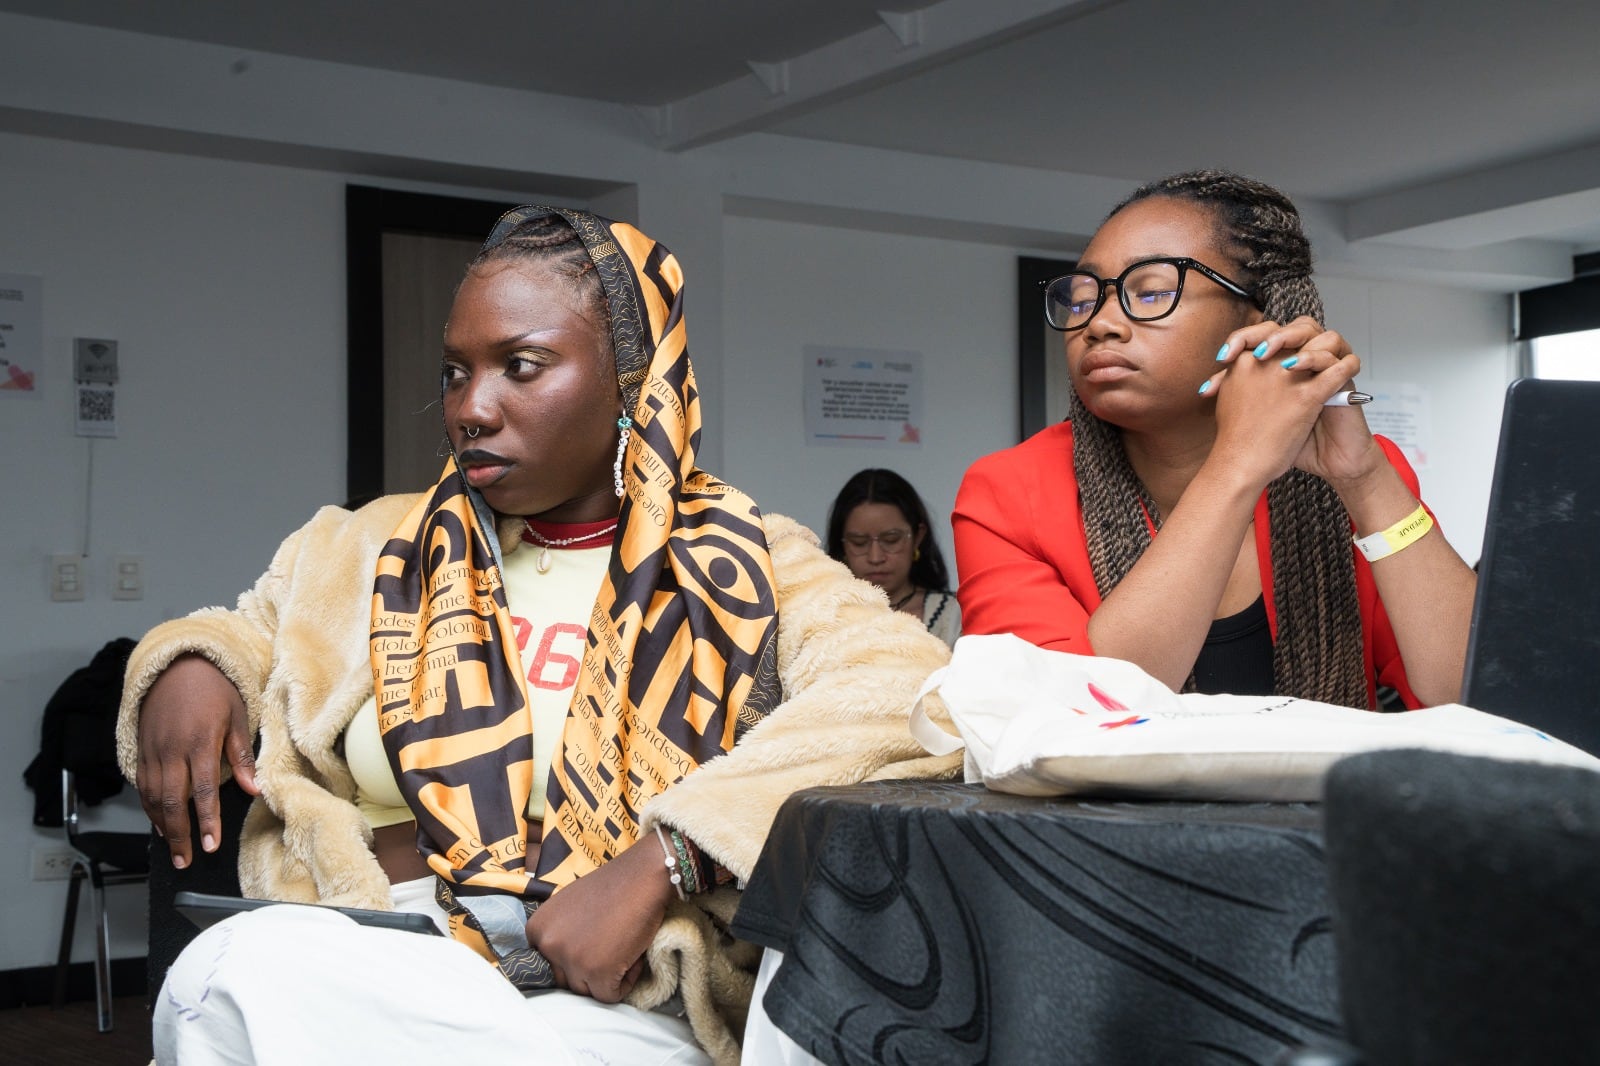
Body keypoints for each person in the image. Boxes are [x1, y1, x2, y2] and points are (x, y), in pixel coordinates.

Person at [118, 207, 955, 1065]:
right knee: (234, 971)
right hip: (374, 948)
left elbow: (909, 694)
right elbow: (244, 629)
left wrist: (667, 859)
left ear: (630, 377)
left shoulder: (752, 565)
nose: (471, 408)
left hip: (618, 991)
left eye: (522, 366)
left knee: (241, 985)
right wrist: (189, 659)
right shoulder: (368, 545)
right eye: (454, 372)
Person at [953, 170, 1476, 709]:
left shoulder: (1360, 473)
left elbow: (1477, 700)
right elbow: (1077, 715)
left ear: (1257, 318)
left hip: (1333, 794)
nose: (1101, 323)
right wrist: (1237, 466)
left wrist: (1365, 480)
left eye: (1151, 291)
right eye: (1085, 298)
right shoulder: (1008, 491)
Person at [825, 468, 961, 648]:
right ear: (842, 545)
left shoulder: (954, 616)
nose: (875, 557)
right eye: (859, 542)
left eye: (891, 540)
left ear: (917, 537)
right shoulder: (821, 618)